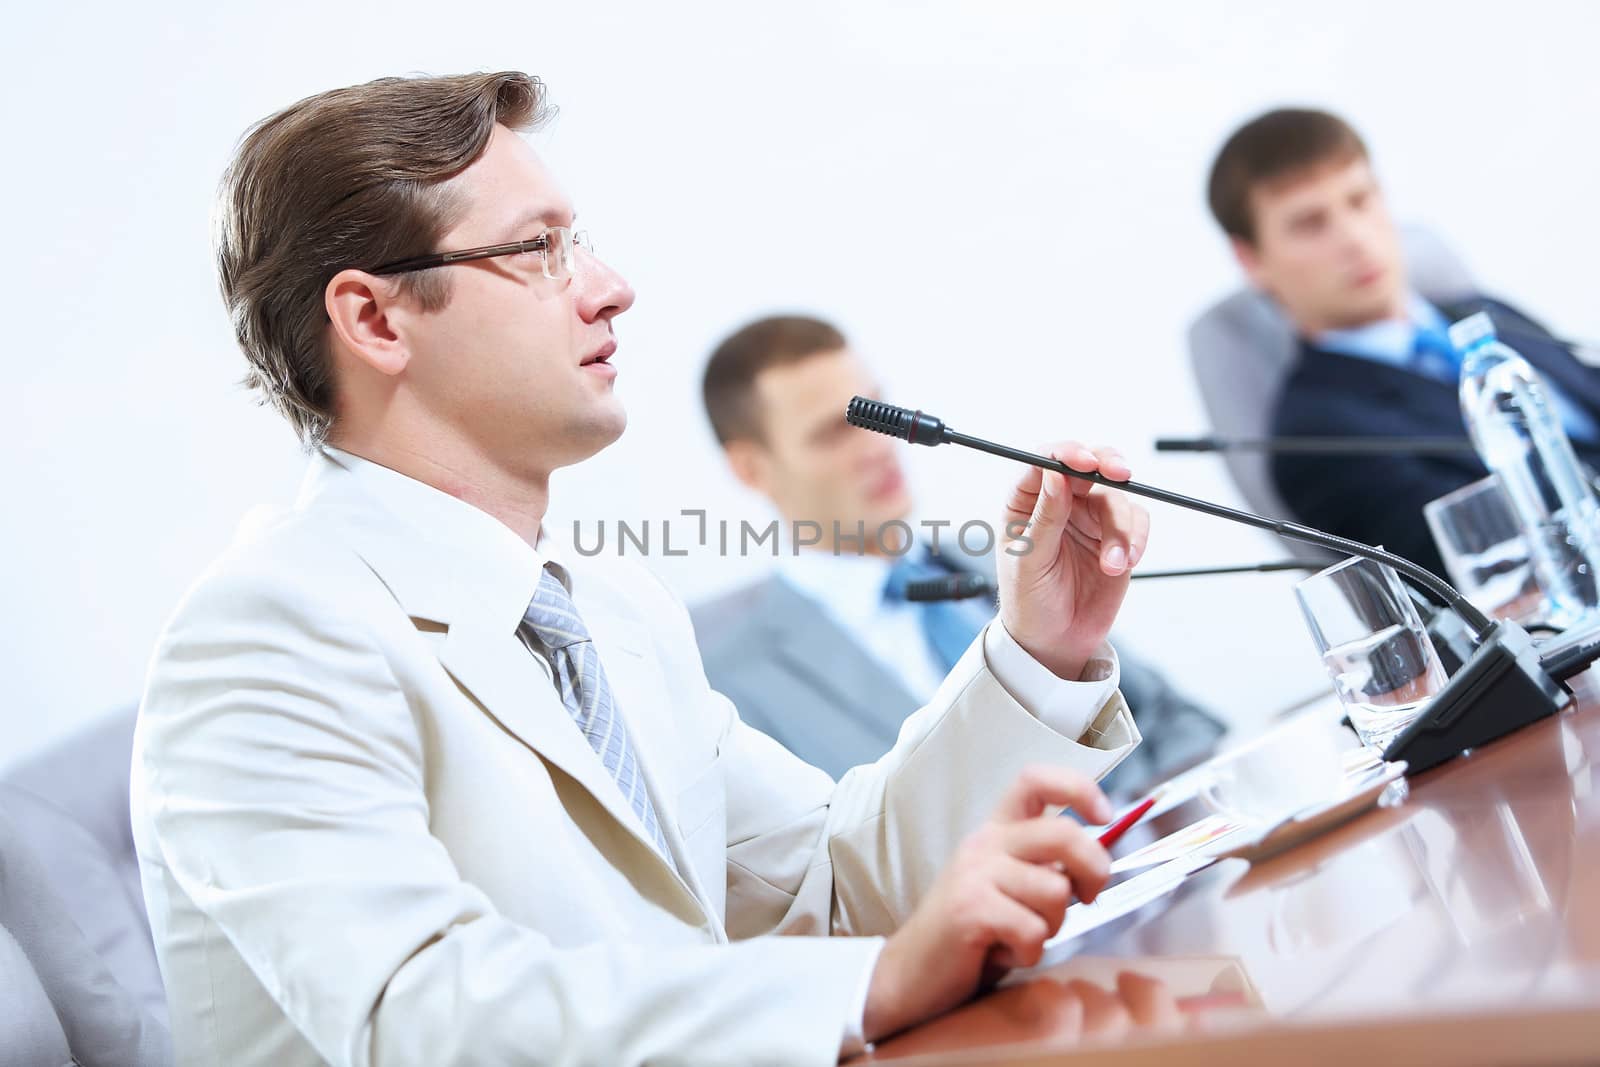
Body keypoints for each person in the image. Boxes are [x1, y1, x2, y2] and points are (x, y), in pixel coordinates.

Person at [132, 72, 1163, 1066]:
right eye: (540, 248)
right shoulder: (264, 631)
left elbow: (828, 885)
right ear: (374, 320)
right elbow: (423, 1012)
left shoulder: (606, 604)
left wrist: (1038, 644)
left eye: (579, 243)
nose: (612, 289)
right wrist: (869, 984)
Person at [694, 314, 1224, 790]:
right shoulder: (726, 679)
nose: (879, 447)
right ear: (751, 468)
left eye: (879, 414)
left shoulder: (1001, 568)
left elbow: (1174, 723)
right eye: (835, 433)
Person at [1207, 107, 1600, 576]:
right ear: (1251, 260)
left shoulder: (1482, 311)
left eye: (1360, 200)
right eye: (1310, 224)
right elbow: (1502, 566)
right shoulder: (1314, 440)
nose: (1354, 238)